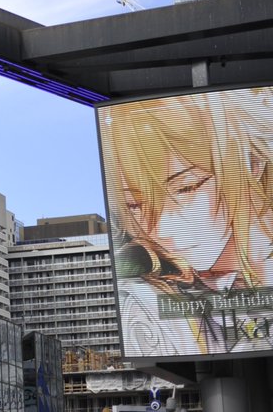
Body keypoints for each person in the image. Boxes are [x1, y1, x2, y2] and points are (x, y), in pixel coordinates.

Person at [100, 87, 273, 356]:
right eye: (135, 205)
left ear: (252, 161)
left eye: (187, 188)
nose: (162, 229)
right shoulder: (151, 307)